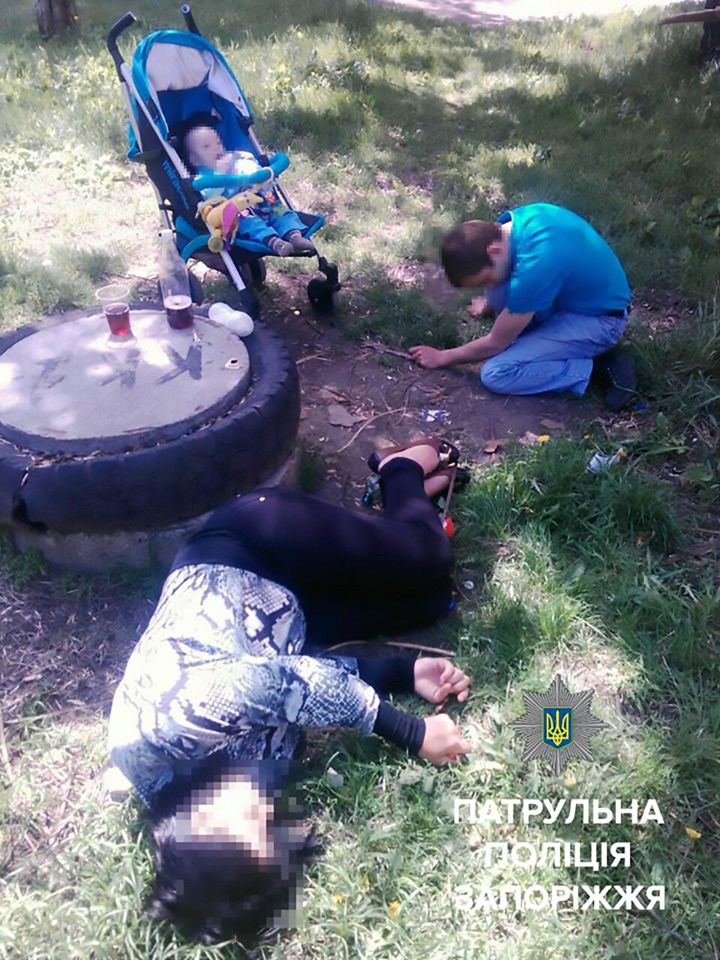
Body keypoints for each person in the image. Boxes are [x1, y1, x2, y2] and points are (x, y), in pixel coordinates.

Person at [108, 439, 472, 945]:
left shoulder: (160, 728)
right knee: (434, 599)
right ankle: (404, 515)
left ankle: (403, 465)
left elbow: (290, 686)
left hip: (252, 544)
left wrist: (413, 732)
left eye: (247, 820)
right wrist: (404, 674)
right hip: (289, 614)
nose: (262, 805)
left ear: (191, 833)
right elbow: (294, 684)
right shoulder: (230, 803)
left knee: (430, 556)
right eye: (267, 825)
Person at [409, 204, 637, 411]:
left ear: (493, 250)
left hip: (601, 321)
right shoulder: (512, 227)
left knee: (497, 373)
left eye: (483, 281)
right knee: (500, 290)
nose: (485, 288)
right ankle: (548, 341)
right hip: (571, 298)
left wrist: (442, 357)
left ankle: (594, 366)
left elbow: (495, 343)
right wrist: (490, 303)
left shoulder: (537, 264)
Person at [184, 124, 317, 257]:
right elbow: (209, 195)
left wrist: (250, 162)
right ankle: (275, 242)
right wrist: (220, 174)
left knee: (282, 212)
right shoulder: (204, 177)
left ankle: (295, 236)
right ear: (195, 159)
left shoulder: (234, 159)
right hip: (241, 212)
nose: (216, 148)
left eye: (218, 143)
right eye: (207, 147)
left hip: (265, 200)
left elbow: (254, 170)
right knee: (250, 224)